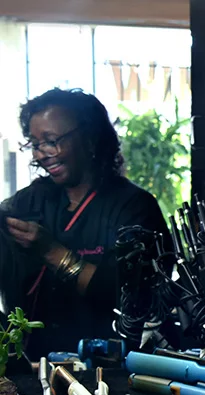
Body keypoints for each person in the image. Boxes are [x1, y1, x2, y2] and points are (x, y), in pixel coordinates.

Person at [0, 88, 168, 360]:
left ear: (90, 140)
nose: (42, 154)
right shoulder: (35, 199)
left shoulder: (134, 207)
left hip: (108, 370)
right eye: (35, 143)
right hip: (34, 366)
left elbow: (129, 297)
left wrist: (51, 251)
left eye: (51, 141)